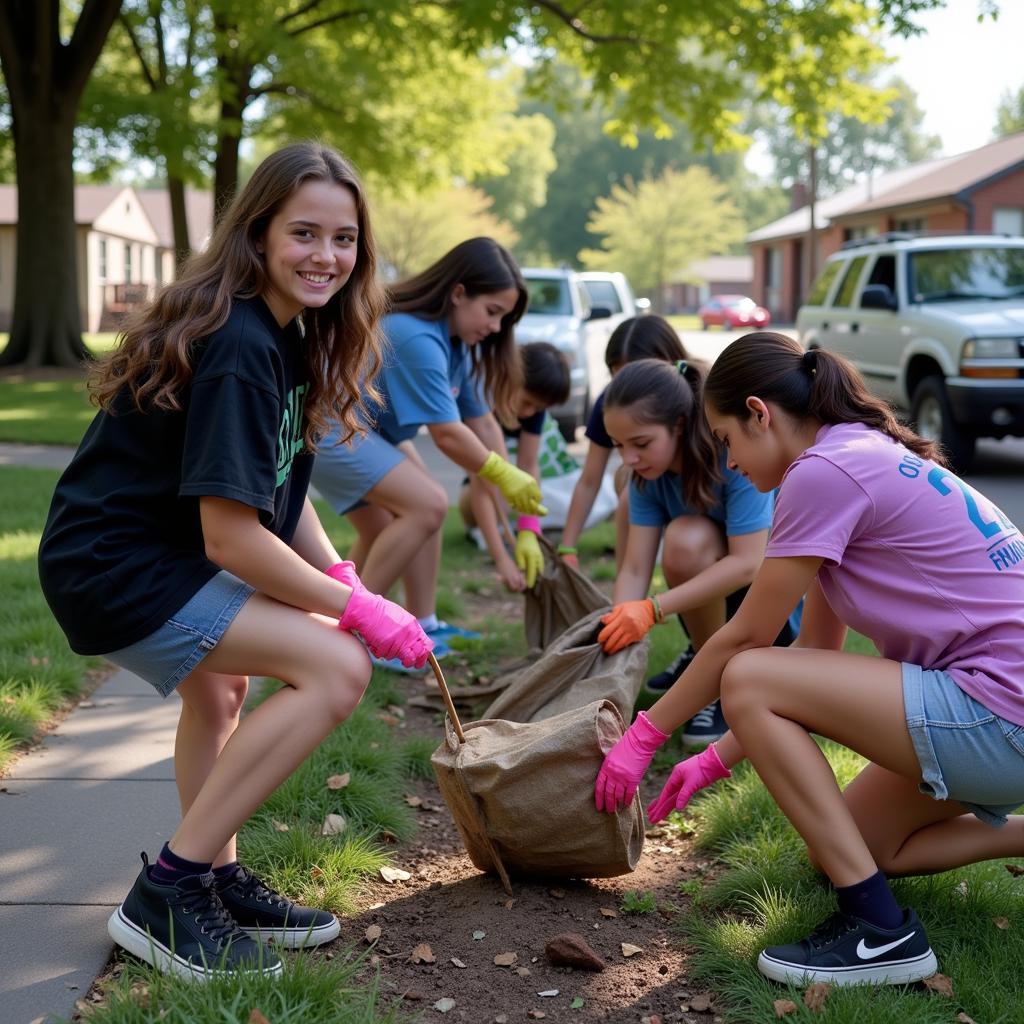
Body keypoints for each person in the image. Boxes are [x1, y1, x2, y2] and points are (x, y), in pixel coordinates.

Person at [38, 143, 432, 979]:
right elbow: (232, 539)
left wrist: (348, 580)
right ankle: (168, 894)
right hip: (115, 566)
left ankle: (215, 876)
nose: (327, 256)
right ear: (256, 234)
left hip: (131, 556)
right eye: (304, 233)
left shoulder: (282, 335)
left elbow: (282, 499)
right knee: (336, 667)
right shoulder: (245, 346)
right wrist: (355, 614)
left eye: (345, 239)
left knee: (220, 690)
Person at [595, 332, 1024, 987]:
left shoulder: (823, 473)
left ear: (760, 414)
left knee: (747, 673)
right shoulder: (855, 457)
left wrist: (642, 739)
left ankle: (883, 934)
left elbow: (748, 643)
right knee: (850, 847)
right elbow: (815, 657)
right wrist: (714, 759)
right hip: (999, 710)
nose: (729, 462)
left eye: (726, 438)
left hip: (1001, 714)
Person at [311, 237, 545, 670]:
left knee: (413, 510)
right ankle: (358, 635)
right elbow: (449, 436)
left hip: (363, 430)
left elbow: (485, 425)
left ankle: (418, 623)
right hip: (329, 428)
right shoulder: (415, 335)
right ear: (458, 294)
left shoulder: (454, 343)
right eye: (492, 311)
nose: (495, 327)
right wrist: (501, 474)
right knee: (428, 503)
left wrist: (526, 517)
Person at [596, 358, 798, 745]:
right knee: (686, 539)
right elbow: (635, 567)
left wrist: (653, 609)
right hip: (718, 599)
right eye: (619, 446)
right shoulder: (645, 479)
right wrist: (620, 626)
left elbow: (747, 564)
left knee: (686, 540)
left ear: (680, 425)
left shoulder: (733, 460)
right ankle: (706, 662)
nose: (629, 459)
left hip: (770, 611)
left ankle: (720, 684)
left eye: (640, 444)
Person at [557, 315, 689, 576]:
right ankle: (629, 584)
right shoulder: (612, 402)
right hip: (653, 491)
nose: (633, 387)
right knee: (628, 485)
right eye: (622, 377)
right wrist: (568, 545)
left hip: (704, 499)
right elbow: (590, 478)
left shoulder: (698, 391)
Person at [459, 340, 571, 590]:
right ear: (511, 375)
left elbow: (529, 466)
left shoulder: (533, 411)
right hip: (476, 485)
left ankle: (506, 535)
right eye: (527, 402)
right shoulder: (479, 399)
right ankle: (487, 535)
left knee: (510, 489)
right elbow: (481, 484)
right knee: (493, 489)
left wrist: (530, 528)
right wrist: (501, 559)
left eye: (538, 408)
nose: (529, 412)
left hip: (500, 479)